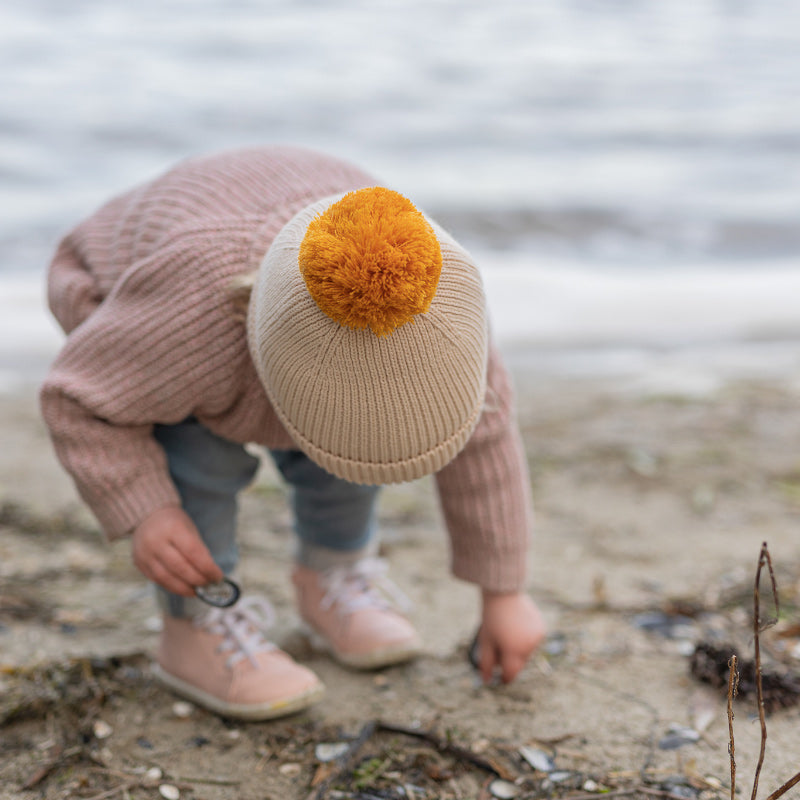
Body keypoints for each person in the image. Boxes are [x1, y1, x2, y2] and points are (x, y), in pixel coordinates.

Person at [40, 145, 545, 721]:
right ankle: (195, 626)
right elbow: (78, 398)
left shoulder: (444, 310)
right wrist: (146, 510)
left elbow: (488, 443)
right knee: (206, 464)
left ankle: (331, 574)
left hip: (282, 278)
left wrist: (504, 594)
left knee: (353, 446)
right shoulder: (187, 325)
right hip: (127, 301)